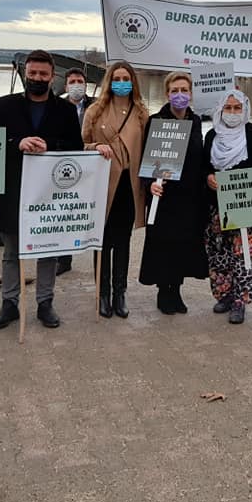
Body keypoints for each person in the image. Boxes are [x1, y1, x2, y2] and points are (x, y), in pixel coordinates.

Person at [0, 50, 83, 330]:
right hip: (14, 190)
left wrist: (49, 146)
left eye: (43, 74)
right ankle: (9, 303)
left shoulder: (65, 110)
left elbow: (75, 148)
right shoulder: (5, 104)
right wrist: (17, 143)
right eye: (32, 73)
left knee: (48, 251)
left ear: (52, 77)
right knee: (11, 252)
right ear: (25, 74)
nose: (37, 78)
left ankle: (45, 303)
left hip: (49, 193)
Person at [82, 61, 149, 318]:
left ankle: (120, 293)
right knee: (102, 241)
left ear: (133, 82)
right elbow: (81, 145)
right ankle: (102, 293)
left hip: (129, 186)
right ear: (110, 81)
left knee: (123, 241)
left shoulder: (141, 113)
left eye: (126, 78)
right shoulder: (95, 111)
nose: (122, 83)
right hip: (102, 185)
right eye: (117, 78)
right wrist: (95, 147)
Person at [138, 71, 208, 314]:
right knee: (163, 244)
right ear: (167, 94)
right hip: (164, 195)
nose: (180, 95)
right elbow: (146, 158)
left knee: (182, 244)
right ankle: (163, 291)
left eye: (184, 90)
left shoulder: (196, 121)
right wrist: (149, 183)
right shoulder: (156, 121)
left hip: (190, 196)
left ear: (191, 93)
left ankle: (176, 289)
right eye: (175, 90)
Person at [202, 89, 252, 324]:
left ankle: (240, 301)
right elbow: (204, 166)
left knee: (244, 255)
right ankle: (224, 295)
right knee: (219, 254)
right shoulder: (212, 136)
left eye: (237, 108)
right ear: (220, 110)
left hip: (248, 206)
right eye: (228, 108)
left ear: (245, 110)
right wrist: (208, 177)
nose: (232, 113)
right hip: (216, 207)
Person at [56, 67, 94, 276]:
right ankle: (64, 259)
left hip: (89, 165)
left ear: (86, 85)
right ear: (65, 86)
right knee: (64, 212)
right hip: (64, 165)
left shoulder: (96, 106)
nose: (76, 85)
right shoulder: (57, 106)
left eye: (80, 81)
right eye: (72, 82)